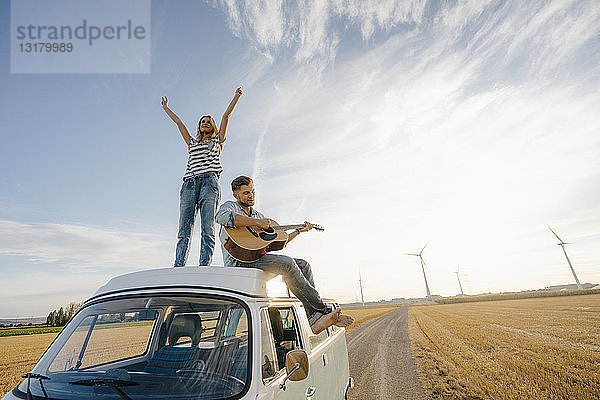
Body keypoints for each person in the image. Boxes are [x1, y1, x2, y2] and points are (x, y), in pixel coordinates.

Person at [215, 175, 354, 334]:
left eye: (253, 191)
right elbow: (221, 217)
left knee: (303, 264)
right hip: (240, 263)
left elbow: (281, 241)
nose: (251, 195)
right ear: (236, 195)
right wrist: (256, 223)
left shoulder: (259, 216)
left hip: (257, 259)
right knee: (287, 263)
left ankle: (313, 316)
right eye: (246, 193)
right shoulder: (231, 206)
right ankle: (322, 310)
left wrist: (298, 231)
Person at [162, 87, 242, 267]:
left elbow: (226, 116)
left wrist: (236, 97)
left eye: (208, 121)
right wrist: (166, 108)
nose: (205, 123)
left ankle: (204, 267)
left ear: (212, 126)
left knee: (207, 228)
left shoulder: (217, 141)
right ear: (199, 126)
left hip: (209, 183)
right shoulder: (192, 142)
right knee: (184, 229)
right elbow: (179, 124)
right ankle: (178, 265)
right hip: (189, 184)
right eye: (202, 121)